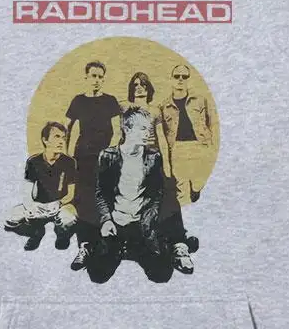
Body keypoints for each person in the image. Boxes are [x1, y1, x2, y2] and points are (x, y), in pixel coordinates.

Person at [121, 70, 197, 274]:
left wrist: (167, 169)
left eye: (143, 84)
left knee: (168, 197)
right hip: (132, 161)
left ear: (149, 88)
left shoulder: (155, 111)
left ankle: (179, 244)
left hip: (153, 160)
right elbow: (119, 135)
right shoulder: (125, 108)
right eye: (135, 85)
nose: (139, 88)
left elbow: (162, 139)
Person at [87, 106, 173, 284]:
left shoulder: (154, 157)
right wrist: (106, 220)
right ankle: (111, 246)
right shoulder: (108, 156)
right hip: (116, 223)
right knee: (97, 275)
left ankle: (135, 247)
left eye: (149, 129)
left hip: (141, 223)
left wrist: (149, 220)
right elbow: (101, 193)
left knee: (162, 275)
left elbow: (156, 194)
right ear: (127, 129)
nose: (148, 133)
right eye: (142, 129)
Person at [65, 60, 121, 270]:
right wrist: (67, 157)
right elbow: (66, 127)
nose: (96, 80)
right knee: (84, 201)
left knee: (105, 198)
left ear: (103, 79)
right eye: (93, 76)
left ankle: (106, 244)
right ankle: (85, 246)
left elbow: (117, 131)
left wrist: (109, 153)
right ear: (86, 77)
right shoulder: (78, 101)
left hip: (105, 158)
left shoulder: (110, 101)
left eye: (100, 76)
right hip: (82, 158)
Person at [4, 121, 77, 251]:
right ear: (45, 140)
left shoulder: (69, 162)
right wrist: (31, 207)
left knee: (70, 219)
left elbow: (71, 193)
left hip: (58, 206)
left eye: (63, 138)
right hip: (38, 206)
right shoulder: (33, 161)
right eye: (57, 137)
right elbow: (27, 190)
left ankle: (62, 235)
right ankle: (35, 233)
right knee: (10, 219)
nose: (61, 141)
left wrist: (59, 203)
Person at [159, 64, 214, 213]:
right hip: (177, 149)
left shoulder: (200, 100)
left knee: (199, 185)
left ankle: (196, 193)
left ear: (189, 79)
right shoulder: (164, 106)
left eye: (184, 77)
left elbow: (210, 123)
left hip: (199, 146)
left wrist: (209, 145)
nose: (180, 79)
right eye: (177, 76)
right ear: (171, 79)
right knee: (181, 191)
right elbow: (163, 133)